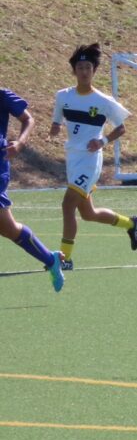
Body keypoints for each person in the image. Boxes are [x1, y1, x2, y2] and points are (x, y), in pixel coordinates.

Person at [48, 43, 137, 270]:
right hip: (72, 158)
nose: (84, 71)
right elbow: (56, 121)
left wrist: (102, 141)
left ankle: (65, 259)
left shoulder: (103, 101)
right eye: (80, 67)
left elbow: (121, 128)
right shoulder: (63, 96)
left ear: (94, 70)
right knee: (88, 214)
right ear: (74, 70)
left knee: (67, 204)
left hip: (90, 160)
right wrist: (55, 128)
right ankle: (131, 224)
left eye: (88, 67)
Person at [1, 87, 64, 291]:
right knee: (9, 229)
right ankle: (50, 259)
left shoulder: (2, 95)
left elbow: (28, 119)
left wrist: (19, 143)